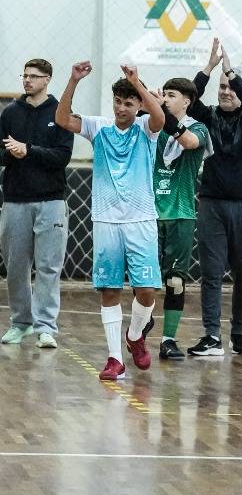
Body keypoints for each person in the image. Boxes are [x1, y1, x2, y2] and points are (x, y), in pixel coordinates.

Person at [56, 61, 164, 380]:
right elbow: (62, 119)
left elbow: (160, 118)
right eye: (118, 101)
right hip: (106, 221)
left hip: (141, 220)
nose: (121, 108)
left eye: (128, 103)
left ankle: (135, 335)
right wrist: (73, 80)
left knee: (147, 290)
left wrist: (138, 83)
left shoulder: (146, 129)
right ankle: (115, 358)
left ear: (138, 105)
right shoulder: (98, 127)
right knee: (109, 290)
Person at [187, 40, 242, 358]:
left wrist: (231, 73)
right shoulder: (207, 117)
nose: (226, 92)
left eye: (231, 87)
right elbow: (189, 98)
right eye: (221, 87)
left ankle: (238, 332)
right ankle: (211, 335)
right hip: (212, 204)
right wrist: (208, 68)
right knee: (211, 273)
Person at [0, 58, 73, 349]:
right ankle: (21, 322)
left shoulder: (61, 112)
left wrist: (28, 150)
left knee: (48, 266)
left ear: (47, 79)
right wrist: (11, 154)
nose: (27, 80)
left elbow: (62, 156)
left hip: (51, 201)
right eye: (25, 75)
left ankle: (45, 327)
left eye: (34, 76)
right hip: (15, 200)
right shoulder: (10, 113)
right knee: (16, 266)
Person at [152, 78, 212, 360]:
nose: (165, 98)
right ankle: (140, 327)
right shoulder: (152, 125)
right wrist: (150, 106)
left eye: (171, 95)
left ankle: (168, 339)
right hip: (149, 213)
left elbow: (189, 142)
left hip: (181, 214)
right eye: (163, 94)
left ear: (187, 101)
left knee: (175, 281)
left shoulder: (198, 128)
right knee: (145, 279)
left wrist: (162, 114)